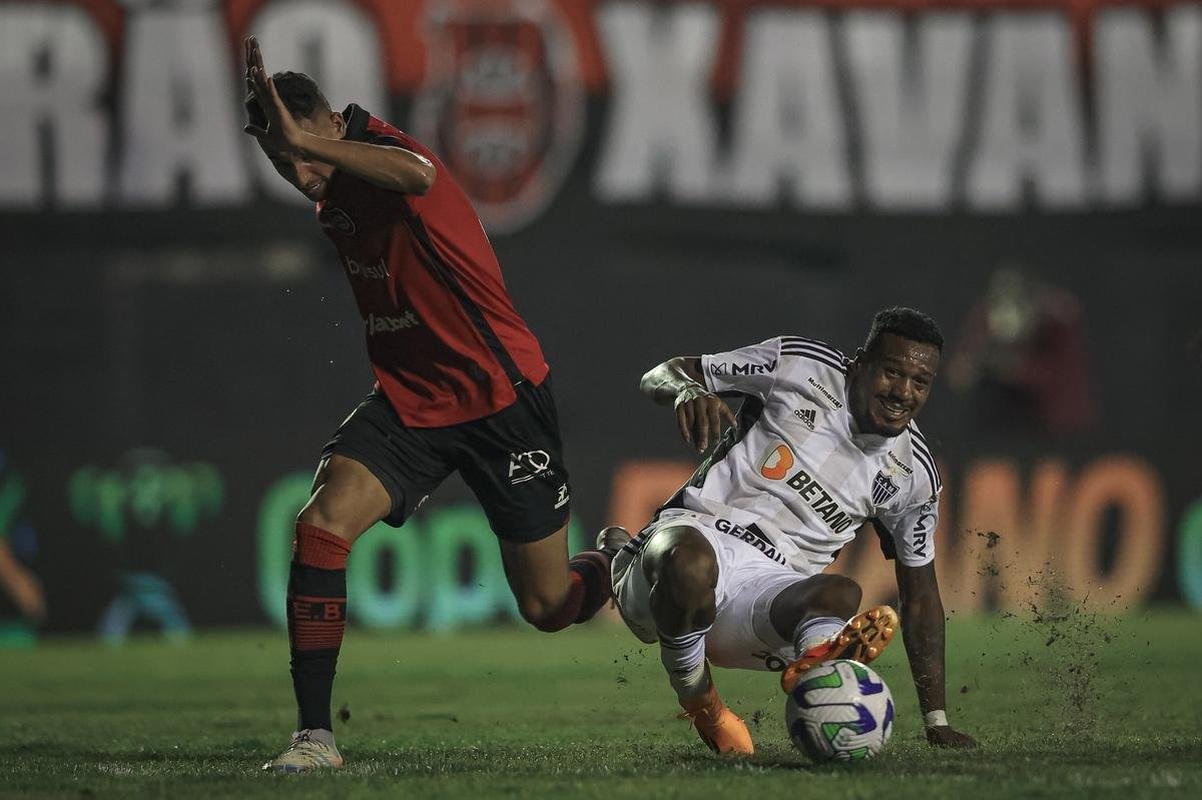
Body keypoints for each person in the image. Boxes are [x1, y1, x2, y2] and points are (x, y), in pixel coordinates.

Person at [241, 37, 622, 772]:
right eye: (282, 164)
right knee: (321, 524)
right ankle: (315, 737)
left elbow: (418, 173)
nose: (302, 175)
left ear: (330, 124)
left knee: (547, 609)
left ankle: (617, 568)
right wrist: (298, 146)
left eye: (305, 154)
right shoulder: (334, 186)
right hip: (412, 404)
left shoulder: (383, 154)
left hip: (499, 399)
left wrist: (313, 146)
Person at [613, 307, 977, 755]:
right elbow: (661, 373)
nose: (903, 392)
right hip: (692, 540)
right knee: (689, 561)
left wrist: (936, 720)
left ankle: (817, 671)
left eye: (919, 383)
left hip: (763, 601)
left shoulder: (913, 474)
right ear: (859, 363)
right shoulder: (800, 366)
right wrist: (686, 389)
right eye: (891, 373)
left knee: (840, 593)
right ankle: (704, 704)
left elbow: (920, 595)